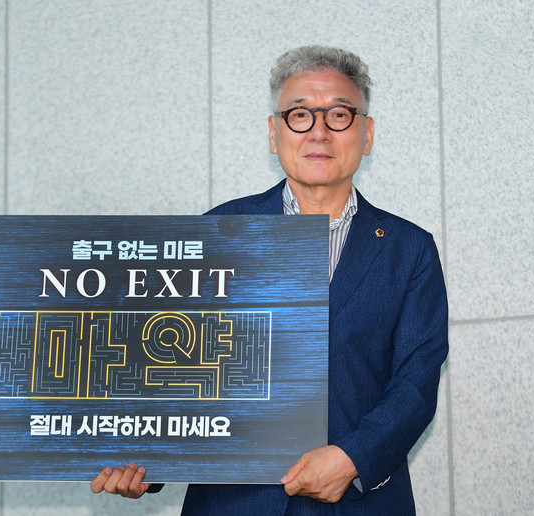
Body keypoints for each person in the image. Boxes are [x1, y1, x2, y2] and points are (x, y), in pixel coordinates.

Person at [91, 45, 448, 514]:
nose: (319, 131)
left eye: (339, 115)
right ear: (273, 133)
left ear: (367, 134)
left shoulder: (409, 249)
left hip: (358, 504)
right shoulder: (217, 233)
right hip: (232, 504)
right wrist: (145, 464)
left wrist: (352, 458)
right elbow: (171, 366)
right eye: (299, 115)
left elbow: (415, 384)